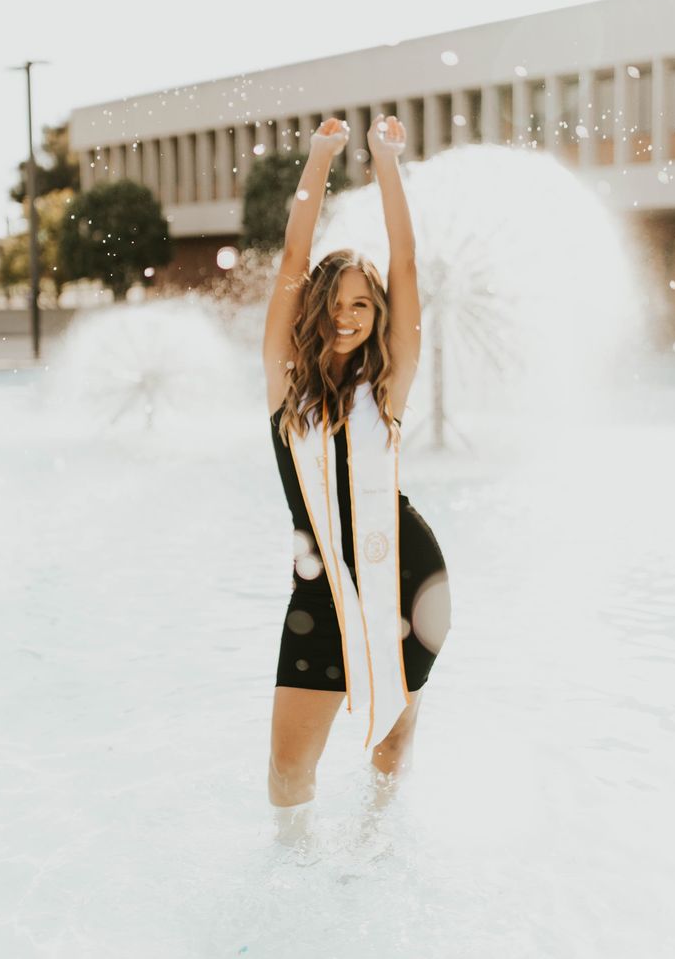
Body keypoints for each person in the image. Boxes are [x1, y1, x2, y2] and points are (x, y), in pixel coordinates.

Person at [263, 114, 452, 847]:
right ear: (315, 308)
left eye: (361, 304)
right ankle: (294, 871)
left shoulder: (389, 389)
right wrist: (320, 158)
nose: (346, 316)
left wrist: (385, 161)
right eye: (334, 303)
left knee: (391, 750)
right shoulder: (286, 384)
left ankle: (374, 856)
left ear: (378, 317)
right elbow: (292, 254)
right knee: (287, 771)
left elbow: (404, 258)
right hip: (319, 591)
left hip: (404, 577)